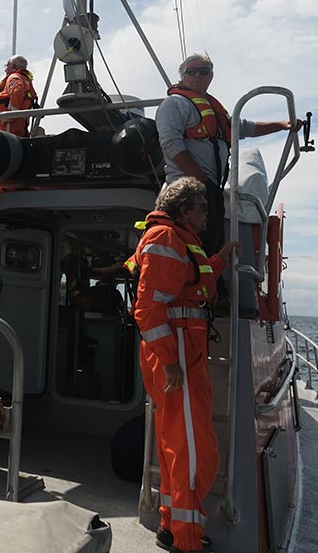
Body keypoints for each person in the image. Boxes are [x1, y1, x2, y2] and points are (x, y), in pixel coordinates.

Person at [124, 177, 239, 553]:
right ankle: (186, 540)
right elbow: (148, 309)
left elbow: (189, 289)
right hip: (176, 357)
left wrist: (220, 259)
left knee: (180, 445)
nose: (208, 213)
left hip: (183, 355)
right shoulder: (165, 240)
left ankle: (171, 527)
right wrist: (171, 362)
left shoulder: (176, 240)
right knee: (193, 451)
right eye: (203, 206)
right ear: (185, 208)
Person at [156, 53, 301, 256]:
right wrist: (202, 180)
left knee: (209, 244)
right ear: (183, 76)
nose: (198, 75)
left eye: (204, 71)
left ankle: (210, 286)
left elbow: (244, 128)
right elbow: (171, 145)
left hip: (208, 188)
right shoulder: (174, 104)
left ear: (211, 76)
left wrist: (282, 125)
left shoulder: (214, 110)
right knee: (189, 245)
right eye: (192, 71)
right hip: (186, 188)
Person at [0, 55, 38, 137]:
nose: (5, 68)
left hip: (8, 128)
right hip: (18, 127)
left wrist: (10, 115)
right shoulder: (25, 80)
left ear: (14, 66)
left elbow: (16, 93)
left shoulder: (14, 78)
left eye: (7, 65)